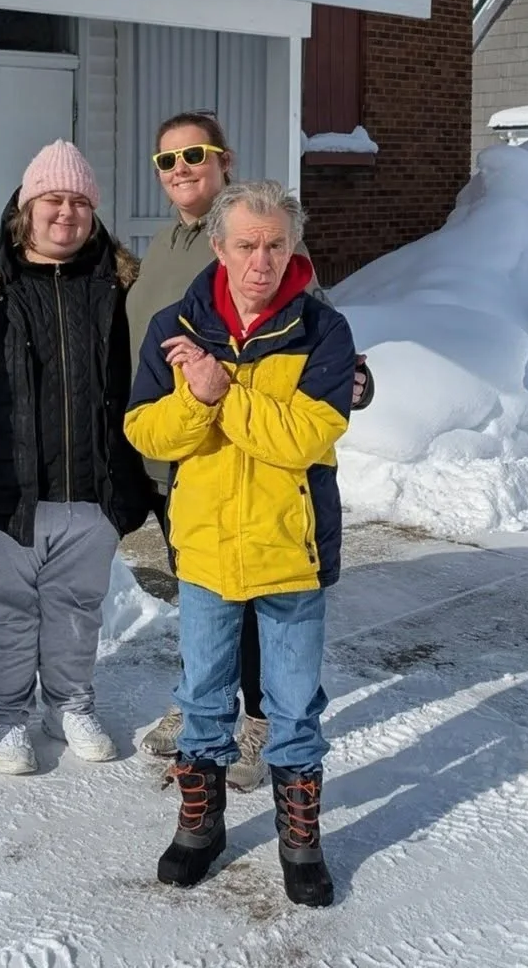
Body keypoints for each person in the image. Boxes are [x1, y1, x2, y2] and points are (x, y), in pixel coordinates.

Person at [125, 180, 353, 907]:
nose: (262, 259)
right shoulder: (175, 322)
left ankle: (300, 837)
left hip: (291, 549)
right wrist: (193, 397)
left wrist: (226, 393)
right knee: (201, 693)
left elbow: (310, 437)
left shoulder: (322, 331)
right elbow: (145, 432)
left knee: (292, 702)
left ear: (293, 248)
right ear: (219, 246)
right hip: (206, 550)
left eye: (276, 244)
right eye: (247, 244)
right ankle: (202, 823)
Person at [128, 114, 374, 778]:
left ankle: (262, 720)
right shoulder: (162, 244)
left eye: (195, 154)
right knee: (204, 596)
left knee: (258, 591)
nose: (181, 167)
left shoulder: (268, 243)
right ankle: (202, 710)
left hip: (259, 468)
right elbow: (148, 368)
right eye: (168, 158)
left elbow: (315, 347)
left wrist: (351, 377)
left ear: (222, 160)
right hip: (175, 462)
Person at [0, 140, 151, 776]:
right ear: (25, 207)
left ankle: (68, 703)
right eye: (52, 200)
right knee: (5, 610)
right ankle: (7, 717)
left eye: (79, 202)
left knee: (77, 606)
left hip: (94, 485)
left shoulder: (121, 288)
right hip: (8, 488)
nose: (65, 213)